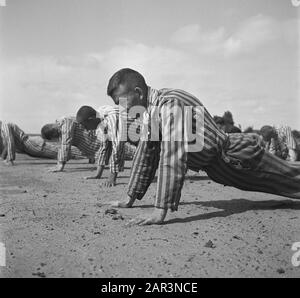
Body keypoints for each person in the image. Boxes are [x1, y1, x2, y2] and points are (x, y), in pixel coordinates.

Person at [105, 68, 300, 226]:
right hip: (223, 167)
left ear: (138, 93)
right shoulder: (153, 110)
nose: (122, 108)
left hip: (236, 157)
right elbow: (147, 153)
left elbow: (172, 155)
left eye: (122, 101)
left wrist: (159, 210)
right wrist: (130, 197)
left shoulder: (170, 104)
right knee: (285, 184)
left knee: (291, 178)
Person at [42, 112, 137, 187]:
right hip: (94, 145)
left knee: (130, 152)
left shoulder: (65, 123)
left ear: (53, 133)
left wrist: (60, 165)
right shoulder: (62, 124)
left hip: (99, 141)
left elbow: (65, 143)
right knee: (124, 153)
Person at [0, 120, 83, 165]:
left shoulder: (5, 126)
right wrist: (3, 158)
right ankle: (87, 155)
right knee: (56, 153)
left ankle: (89, 154)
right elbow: (6, 143)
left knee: (58, 151)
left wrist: (10, 159)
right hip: (28, 148)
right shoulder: (2, 129)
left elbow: (10, 141)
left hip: (30, 144)